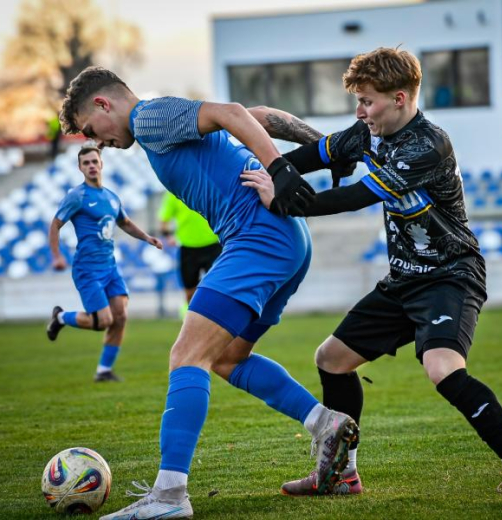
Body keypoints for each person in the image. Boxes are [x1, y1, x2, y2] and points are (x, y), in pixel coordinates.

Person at [242, 47, 502, 509]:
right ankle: (343, 474)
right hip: (403, 279)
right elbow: (313, 155)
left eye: (368, 101)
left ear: (401, 98)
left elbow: (353, 197)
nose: (360, 111)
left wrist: (283, 197)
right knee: (331, 359)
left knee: (442, 369)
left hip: (451, 275)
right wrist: (265, 167)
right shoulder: (366, 134)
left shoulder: (427, 145)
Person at [58, 66, 358, 520]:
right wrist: (328, 148)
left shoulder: (147, 118)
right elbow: (259, 116)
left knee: (186, 356)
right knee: (226, 358)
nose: (96, 142)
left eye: (89, 130)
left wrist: (279, 167)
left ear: (103, 104)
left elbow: (235, 112)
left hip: (258, 236)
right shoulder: (166, 122)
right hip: (287, 240)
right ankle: (325, 423)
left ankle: (170, 496)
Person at [46, 145, 162, 383]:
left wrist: (147, 238)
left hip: (110, 267)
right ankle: (60, 318)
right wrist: (57, 256)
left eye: (94, 161)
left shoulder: (111, 196)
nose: (91, 166)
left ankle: (103, 371)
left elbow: (126, 223)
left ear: (101, 164)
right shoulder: (77, 196)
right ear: (80, 168)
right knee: (103, 321)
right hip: (88, 270)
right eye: (85, 163)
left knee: (120, 317)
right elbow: (55, 224)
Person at [157, 192, 222, 310]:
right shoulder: (173, 192)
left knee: (217, 287)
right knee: (189, 291)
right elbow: (163, 221)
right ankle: (192, 315)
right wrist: (168, 236)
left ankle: (215, 317)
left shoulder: (208, 187)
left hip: (213, 246)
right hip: (188, 248)